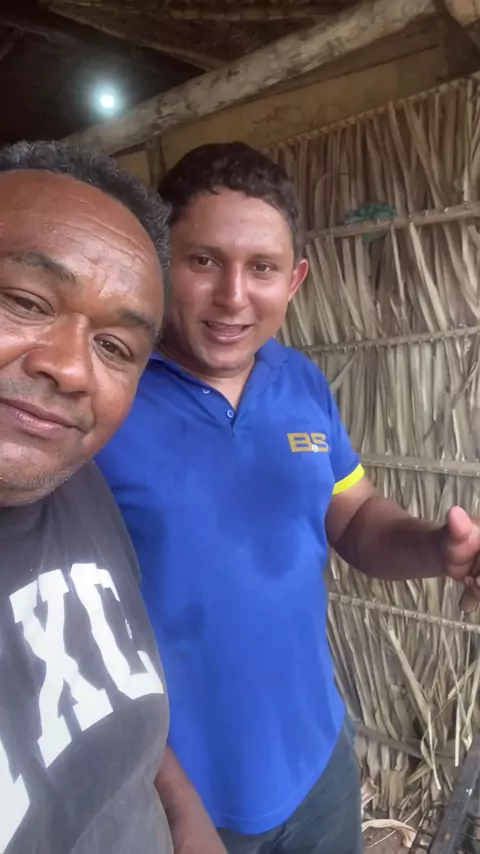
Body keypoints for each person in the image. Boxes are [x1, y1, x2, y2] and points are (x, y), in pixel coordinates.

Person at [96, 142, 480, 854]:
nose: (234, 296)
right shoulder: (103, 405)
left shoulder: (300, 382)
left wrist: (437, 548)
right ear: (158, 259)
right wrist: (171, 805)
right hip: (181, 802)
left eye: (262, 268)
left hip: (318, 763)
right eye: (203, 261)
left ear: (295, 278)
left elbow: (355, 516)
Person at [0, 141, 227, 854]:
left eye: (115, 347)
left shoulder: (78, 484)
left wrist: (184, 814)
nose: (70, 369)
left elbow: (114, 683)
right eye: (27, 301)